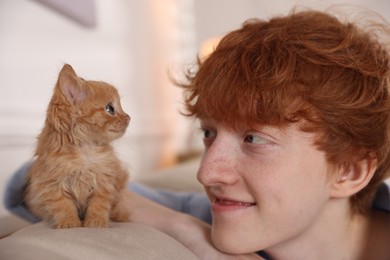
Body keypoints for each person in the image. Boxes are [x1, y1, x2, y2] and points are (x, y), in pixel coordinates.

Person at [4, 9, 390, 259]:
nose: (207, 174)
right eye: (208, 132)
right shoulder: (208, 213)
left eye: (253, 139)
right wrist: (185, 229)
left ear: (350, 171)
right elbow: (25, 181)